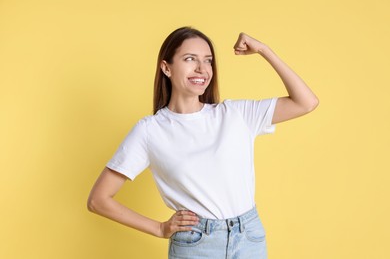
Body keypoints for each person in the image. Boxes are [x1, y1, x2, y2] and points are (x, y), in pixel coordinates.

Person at [87, 27, 319, 258]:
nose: (202, 69)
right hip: (196, 245)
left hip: (249, 237)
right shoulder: (150, 131)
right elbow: (98, 200)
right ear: (166, 68)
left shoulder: (235, 114)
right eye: (190, 59)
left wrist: (263, 50)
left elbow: (306, 102)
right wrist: (159, 228)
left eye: (208, 61)